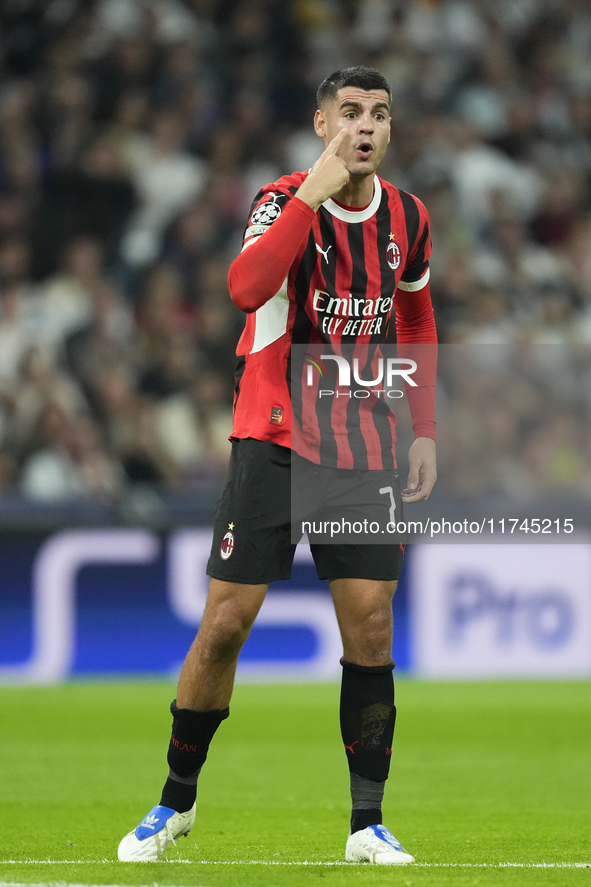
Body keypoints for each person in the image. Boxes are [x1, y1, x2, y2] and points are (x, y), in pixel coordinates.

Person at [118, 66, 437, 867]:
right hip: (274, 435)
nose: (366, 126)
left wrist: (422, 427)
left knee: (369, 627)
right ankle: (173, 803)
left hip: (364, 451)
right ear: (324, 122)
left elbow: (417, 312)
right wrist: (308, 196)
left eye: (380, 114)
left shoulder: (408, 216)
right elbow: (243, 286)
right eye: (351, 113)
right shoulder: (280, 197)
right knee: (225, 624)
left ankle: (366, 823)